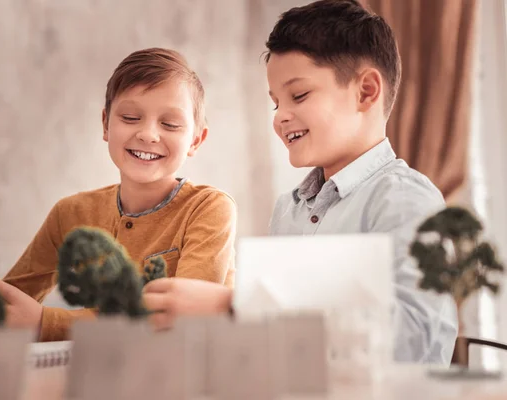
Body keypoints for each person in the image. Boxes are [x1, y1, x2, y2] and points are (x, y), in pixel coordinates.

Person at [143, 0, 458, 364]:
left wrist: (236, 305)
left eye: (299, 95)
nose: (280, 118)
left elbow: (415, 341)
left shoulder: (407, 201)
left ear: (366, 91)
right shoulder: (289, 209)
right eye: (276, 102)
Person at [0, 48, 237, 341]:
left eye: (170, 124)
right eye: (130, 117)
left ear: (196, 140)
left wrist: (43, 323)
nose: (148, 134)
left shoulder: (210, 208)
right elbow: (14, 300)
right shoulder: (70, 213)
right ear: (105, 124)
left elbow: (178, 320)